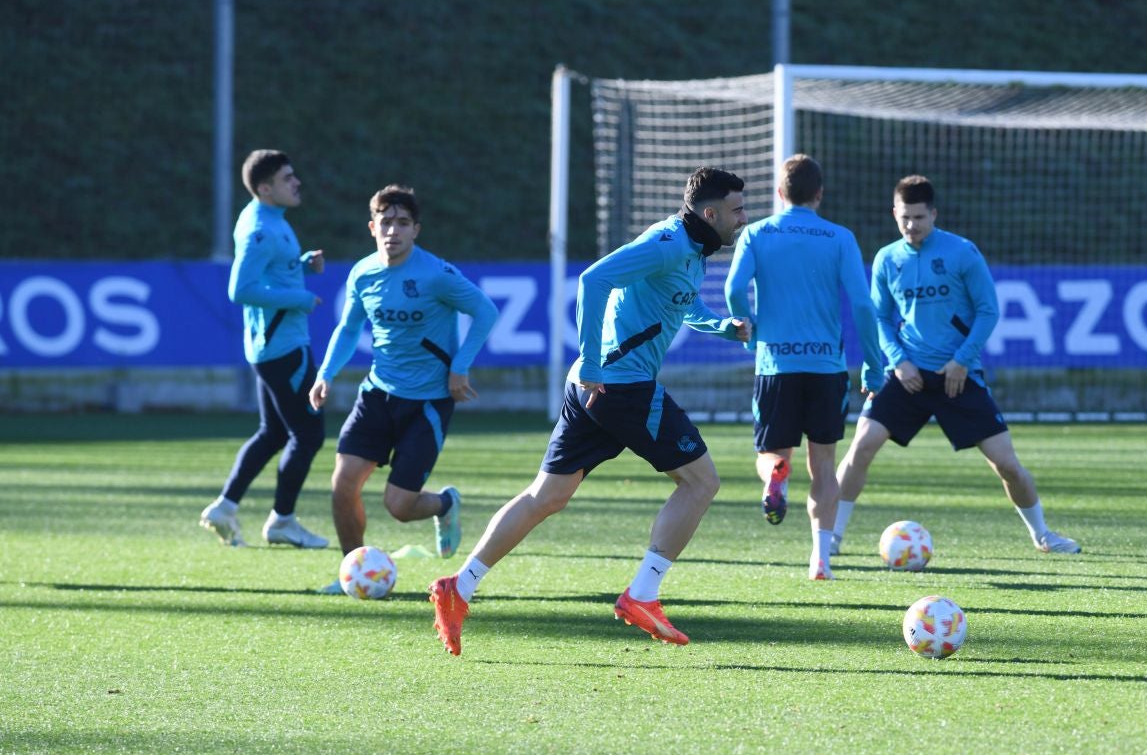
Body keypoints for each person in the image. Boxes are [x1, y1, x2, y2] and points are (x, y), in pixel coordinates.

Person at [428, 167, 751, 655]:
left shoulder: (694, 247)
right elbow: (593, 279)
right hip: (620, 387)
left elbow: (678, 306)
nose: (743, 219)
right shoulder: (667, 243)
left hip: (595, 388)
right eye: (737, 210)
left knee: (546, 496)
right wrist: (597, 362)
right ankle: (642, 595)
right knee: (701, 482)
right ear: (710, 214)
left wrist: (719, 327)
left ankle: (460, 587)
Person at [831, 175, 1081, 556]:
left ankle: (1043, 534)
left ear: (934, 213)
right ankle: (830, 538)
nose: (911, 225)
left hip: (956, 377)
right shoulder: (887, 258)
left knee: (1006, 464)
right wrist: (899, 362)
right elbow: (879, 318)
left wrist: (961, 361)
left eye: (919, 217)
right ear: (894, 214)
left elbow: (988, 310)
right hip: (907, 375)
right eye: (904, 218)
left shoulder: (962, 252)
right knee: (861, 447)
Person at [308, 185, 499, 591]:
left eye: (402, 223)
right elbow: (348, 328)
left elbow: (485, 310)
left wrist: (460, 368)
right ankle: (351, 571)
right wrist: (325, 373)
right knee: (342, 486)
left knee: (398, 507)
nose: (392, 230)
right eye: (386, 222)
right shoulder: (363, 273)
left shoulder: (436, 274)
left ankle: (445, 503)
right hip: (377, 394)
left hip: (427, 402)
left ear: (416, 230)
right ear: (372, 227)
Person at [724, 154, 884, 580]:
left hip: (776, 364)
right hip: (825, 366)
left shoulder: (757, 233)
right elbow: (863, 306)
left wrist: (750, 334)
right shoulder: (839, 237)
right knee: (824, 465)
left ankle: (776, 475)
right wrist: (872, 364)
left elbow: (734, 288)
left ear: (779, 193)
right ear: (819, 193)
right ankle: (820, 560)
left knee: (770, 453)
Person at [199, 149, 329, 549]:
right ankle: (282, 521)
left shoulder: (271, 220)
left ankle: (225, 507)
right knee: (308, 435)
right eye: (287, 178)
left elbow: (270, 271)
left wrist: (302, 266)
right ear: (265, 187)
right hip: (283, 347)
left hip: (272, 345)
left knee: (274, 433)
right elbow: (240, 289)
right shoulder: (260, 227)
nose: (296, 182)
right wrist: (299, 298)